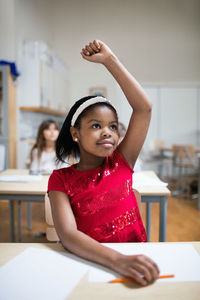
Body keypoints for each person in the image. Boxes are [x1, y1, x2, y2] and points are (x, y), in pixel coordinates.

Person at [48, 40, 159, 286]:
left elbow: (144, 108)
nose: (107, 132)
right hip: (89, 267)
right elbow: (67, 235)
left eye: (112, 126)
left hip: (136, 265)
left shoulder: (122, 161)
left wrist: (110, 61)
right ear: (76, 134)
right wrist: (118, 261)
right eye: (96, 126)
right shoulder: (61, 179)